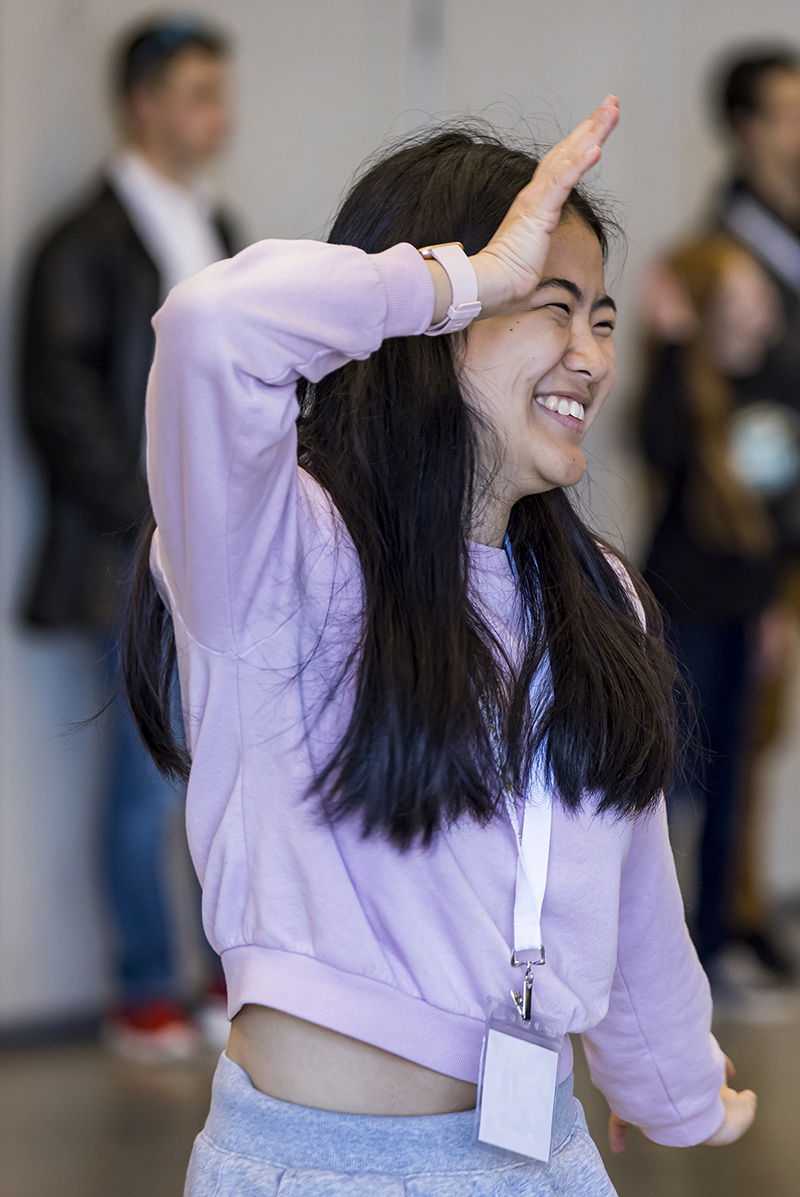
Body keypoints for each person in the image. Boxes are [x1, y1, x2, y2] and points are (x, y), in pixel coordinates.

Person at [125, 98, 755, 1195]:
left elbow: (628, 884)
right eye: (541, 304)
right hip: (316, 1168)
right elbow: (210, 329)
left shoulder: (599, 593)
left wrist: (675, 1091)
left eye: (601, 317)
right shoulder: (280, 556)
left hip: (538, 1158)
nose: (588, 355)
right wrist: (455, 280)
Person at [21, 15, 238, 1060]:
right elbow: (59, 400)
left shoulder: (216, 223)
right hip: (133, 554)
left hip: (220, 551)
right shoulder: (86, 243)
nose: (218, 113)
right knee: (144, 783)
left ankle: (221, 971)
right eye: (198, 92)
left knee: (231, 765)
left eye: (220, 91)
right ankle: (144, 990)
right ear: (143, 102)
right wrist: (150, 516)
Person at [639, 47, 800, 994]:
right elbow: (665, 440)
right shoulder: (715, 251)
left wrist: (780, 589)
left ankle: (723, 926)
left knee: (741, 755)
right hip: (694, 587)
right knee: (677, 769)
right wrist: (668, 345)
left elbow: (774, 475)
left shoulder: (767, 398)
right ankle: (681, 936)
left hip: (753, 587)